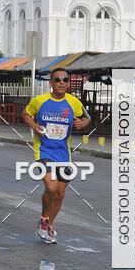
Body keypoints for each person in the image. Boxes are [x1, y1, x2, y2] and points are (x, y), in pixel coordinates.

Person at [22, 67, 90, 244]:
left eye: (65, 80)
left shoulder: (73, 102)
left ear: (68, 83)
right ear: (51, 83)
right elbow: (26, 114)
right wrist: (34, 127)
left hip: (63, 155)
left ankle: (48, 226)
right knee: (51, 188)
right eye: (58, 80)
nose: (62, 83)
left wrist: (82, 123)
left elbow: (87, 117)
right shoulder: (40, 101)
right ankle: (44, 219)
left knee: (59, 194)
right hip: (44, 151)